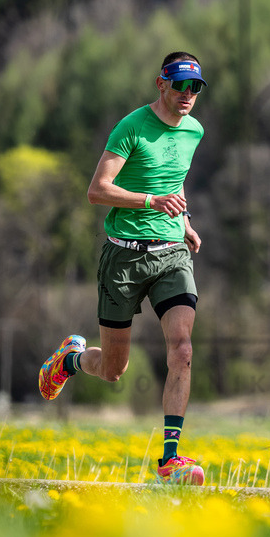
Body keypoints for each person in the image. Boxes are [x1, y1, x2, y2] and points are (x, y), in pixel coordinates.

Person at [39, 51, 208, 486]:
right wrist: (152, 202)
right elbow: (97, 190)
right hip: (124, 258)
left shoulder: (194, 130)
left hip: (171, 254)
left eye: (195, 87)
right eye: (180, 85)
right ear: (161, 83)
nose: (187, 94)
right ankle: (71, 360)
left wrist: (185, 223)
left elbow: (173, 178)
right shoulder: (131, 127)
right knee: (114, 370)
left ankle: (170, 460)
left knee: (182, 350)